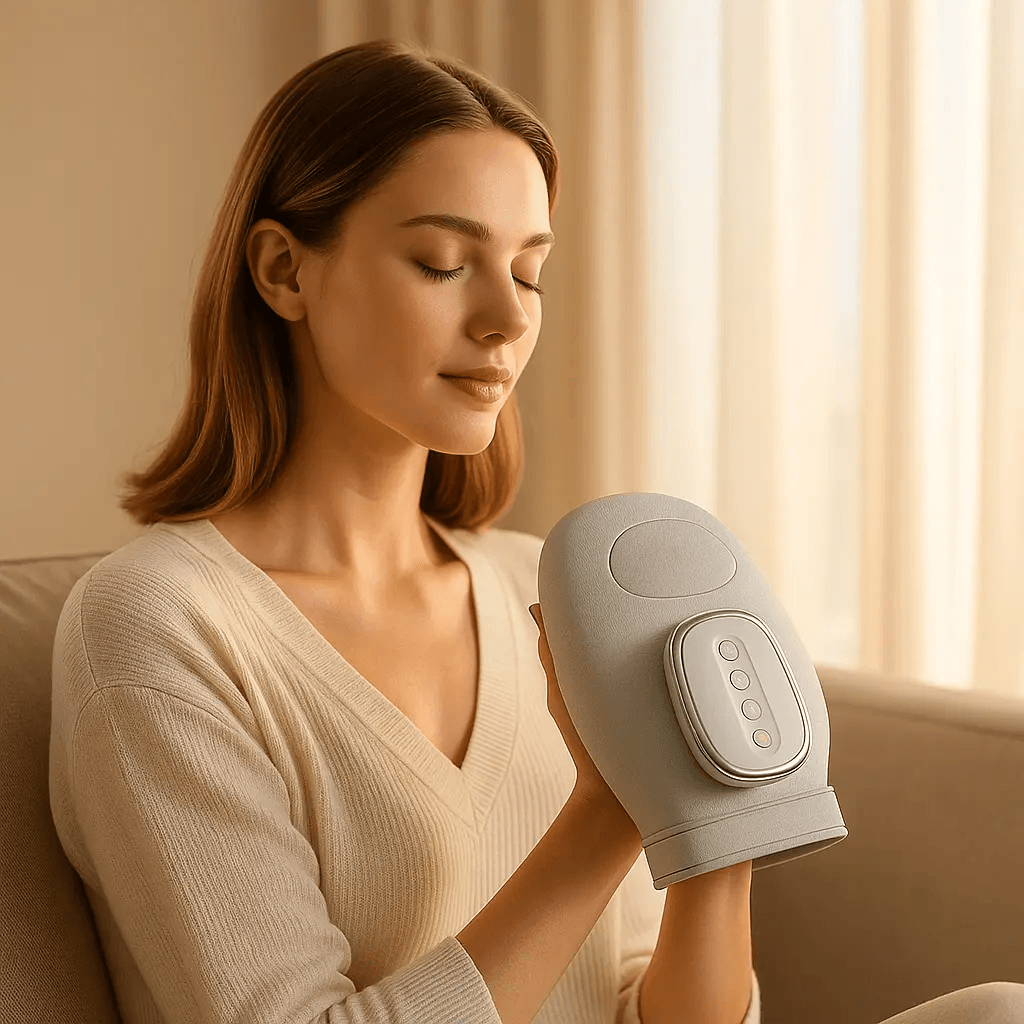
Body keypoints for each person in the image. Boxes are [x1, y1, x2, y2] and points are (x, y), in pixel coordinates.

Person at [47, 37, 759, 1024]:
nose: (507, 316)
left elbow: (645, 1002)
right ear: (282, 270)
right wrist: (608, 813)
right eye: (442, 261)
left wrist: (720, 821)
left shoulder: (543, 587)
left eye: (529, 270)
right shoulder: (159, 626)